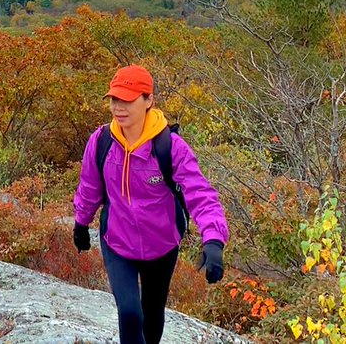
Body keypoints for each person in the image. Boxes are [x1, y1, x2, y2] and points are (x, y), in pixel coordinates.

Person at [72, 64, 229, 344]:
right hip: (118, 242)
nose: (119, 107)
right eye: (114, 99)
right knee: (131, 314)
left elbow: (200, 193)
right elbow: (90, 186)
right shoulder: (101, 142)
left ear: (148, 100)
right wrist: (81, 223)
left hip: (162, 245)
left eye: (128, 100)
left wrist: (214, 239)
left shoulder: (170, 147)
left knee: (152, 315)